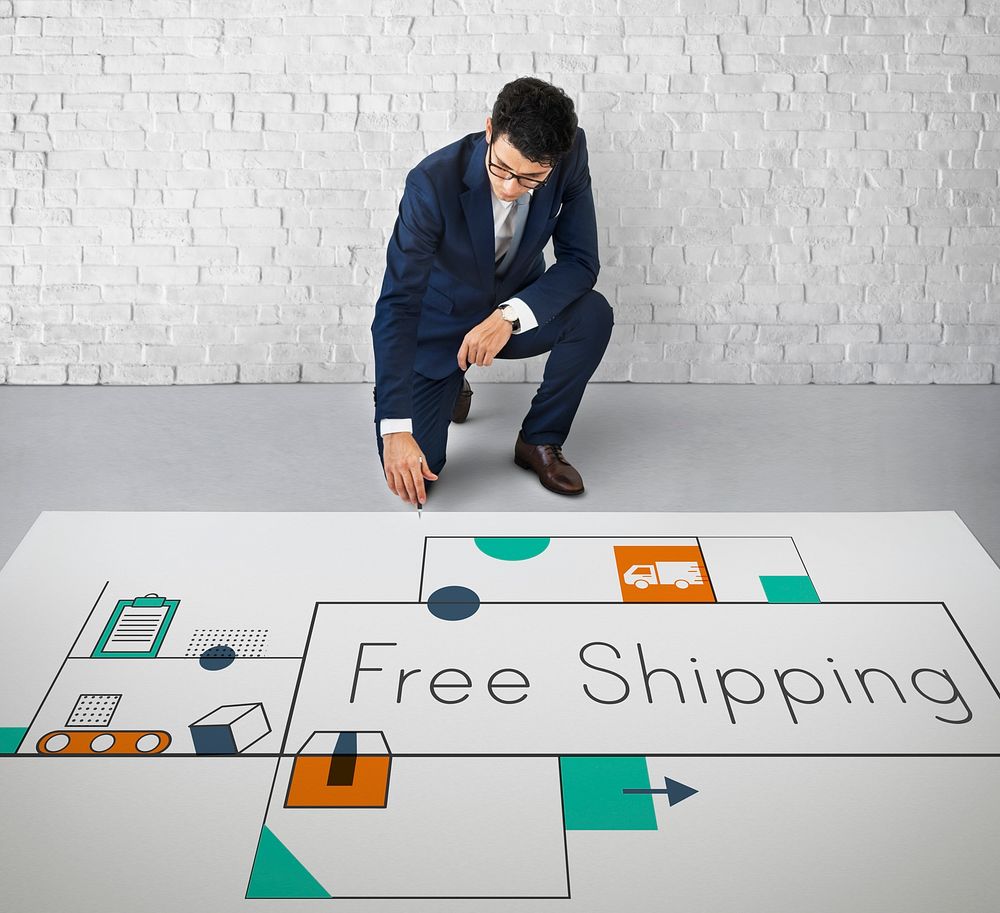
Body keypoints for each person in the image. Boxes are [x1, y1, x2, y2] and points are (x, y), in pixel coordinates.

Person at [371, 76, 613, 508]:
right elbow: (398, 303)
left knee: (592, 314)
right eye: (502, 167)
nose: (509, 188)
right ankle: (446, 380)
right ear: (489, 130)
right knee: (421, 475)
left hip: (514, 310)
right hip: (439, 324)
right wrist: (395, 426)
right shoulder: (430, 184)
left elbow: (581, 261)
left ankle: (539, 440)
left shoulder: (570, 153)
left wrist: (508, 317)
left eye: (530, 178)